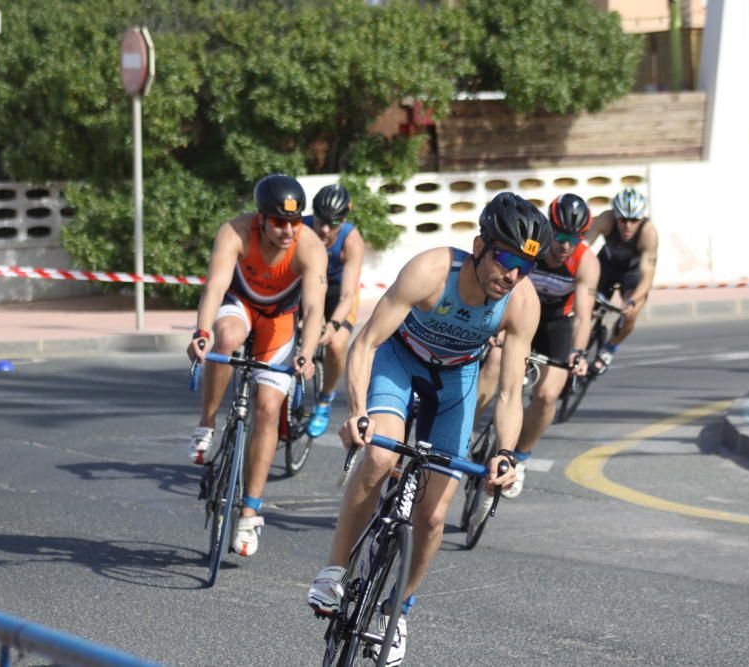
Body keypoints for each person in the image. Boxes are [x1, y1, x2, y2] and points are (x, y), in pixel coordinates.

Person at [307, 192, 551, 665]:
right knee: (380, 456)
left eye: (525, 266)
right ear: (480, 246)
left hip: (455, 381)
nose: (512, 274)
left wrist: (506, 453)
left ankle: (397, 611)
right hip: (400, 362)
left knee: (435, 514)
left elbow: (506, 393)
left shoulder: (521, 303)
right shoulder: (431, 271)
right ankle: (335, 570)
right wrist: (357, 410)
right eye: (505, 258)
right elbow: (366, 344)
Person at [186, 174, 327, 556]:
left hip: (280, 320)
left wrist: (306, 350)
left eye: (294, 223)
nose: (286, 231)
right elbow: (215, 285)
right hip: (241, 304)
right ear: (260, 219)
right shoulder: (234, 232)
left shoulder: (310, 247)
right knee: (226, 338)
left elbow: (314, 307)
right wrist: (202, 333)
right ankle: (207, 422)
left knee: (267, 410)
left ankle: (250, 513)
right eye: (278, 222)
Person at [474, 193, 600, 499]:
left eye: (574, 238)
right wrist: (497, 329)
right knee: (493, 364)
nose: (564, 245)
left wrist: (579, 353)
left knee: (547, 395)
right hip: (516, 314)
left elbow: (583, 316)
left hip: (554, 323)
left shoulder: (585, 261)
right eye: (559, 235)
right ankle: (465, 434)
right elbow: (504, 284)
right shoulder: (533, 245)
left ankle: (523, 455)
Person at [302, 183, 365, 438]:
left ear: (344, 220)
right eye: (320, 221)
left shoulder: (352, 241)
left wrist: (333, 324)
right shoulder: (301, 229)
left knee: (337, 344)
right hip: (307, 285)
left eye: (333, 223)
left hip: (338, 292)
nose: (325, 230)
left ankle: (325, 400)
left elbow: (349, 294)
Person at [584, 187, 658, 374]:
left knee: (631, 312)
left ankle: (610, 347)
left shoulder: (649, 233)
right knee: (585, 305)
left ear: (641, 219)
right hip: (606, 266)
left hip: (632, 274)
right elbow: (583, 249)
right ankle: (580, 346)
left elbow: (647, 276)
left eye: (634, 220)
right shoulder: (605, 219)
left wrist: (632, 301)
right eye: (623, 220)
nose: (628, 226)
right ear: (615, 216)